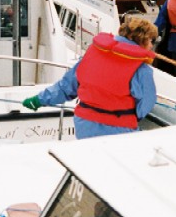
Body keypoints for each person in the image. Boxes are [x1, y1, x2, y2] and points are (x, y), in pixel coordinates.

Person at [22, 17, 158, 139]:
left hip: (84, 125)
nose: (151, 46)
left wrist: (38, 100)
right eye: (151, 41)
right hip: (119, 129)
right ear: (142, 39)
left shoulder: (93, 54)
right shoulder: (142, 70)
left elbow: (66, 86)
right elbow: (146, 104)